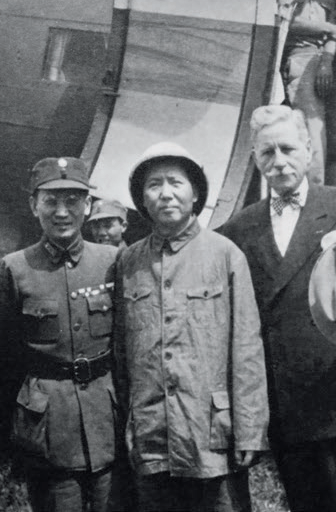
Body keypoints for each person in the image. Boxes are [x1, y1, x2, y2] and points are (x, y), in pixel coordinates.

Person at [220, 105, 336, 512]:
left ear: (308, 149)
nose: (279, 161)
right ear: (255, 159)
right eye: (267, 152)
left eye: (288, 149)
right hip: (288, 405)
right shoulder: (239, 229)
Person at [113, 142, 269, 512]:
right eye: (154, 185)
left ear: (195, 193)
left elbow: (247, 348)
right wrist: (129, 424)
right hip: (152, 435)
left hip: (211, 434)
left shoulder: (225, 255)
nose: (166, 193)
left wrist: (249, 430)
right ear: (142, 199)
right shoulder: (129, 262)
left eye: (176, 182)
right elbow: (121, 355)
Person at [0, 157, 118, 512]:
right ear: (34, 206)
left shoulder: (111, 261)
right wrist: (20, 429)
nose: (62, 212)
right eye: (51, 201)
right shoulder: (15, 268)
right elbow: (6, 356)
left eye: (73, 201)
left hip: (106, 419)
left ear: (88, 206)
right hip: (49, 427)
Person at [284, 0, 336, 186]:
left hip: (328, 63)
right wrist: (327, 27)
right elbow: (288, 22)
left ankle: (330, 196)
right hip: (302, 59)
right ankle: (314, 199)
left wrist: (326, 63)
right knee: (313, 137)